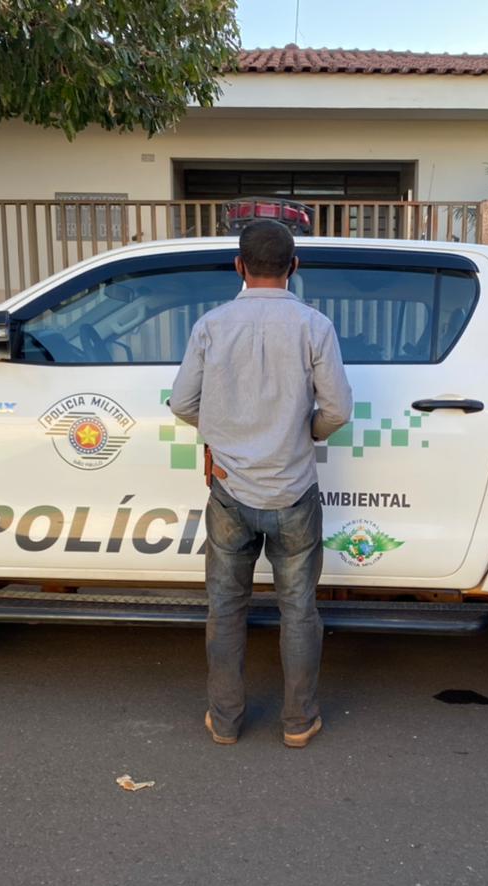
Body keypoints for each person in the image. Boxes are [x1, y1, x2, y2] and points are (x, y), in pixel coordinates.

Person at [170, 221, 353, 748]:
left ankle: (225, 721)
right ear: (294, 267)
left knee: (226, 608)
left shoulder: (211, 325)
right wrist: (307, 430)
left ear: (239, 267)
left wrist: (223, 436)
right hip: (294, 489)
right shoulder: (315, 326)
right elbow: (338, 410)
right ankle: (299, 723)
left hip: (229, 490)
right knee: (299, 610)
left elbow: (182, 402)